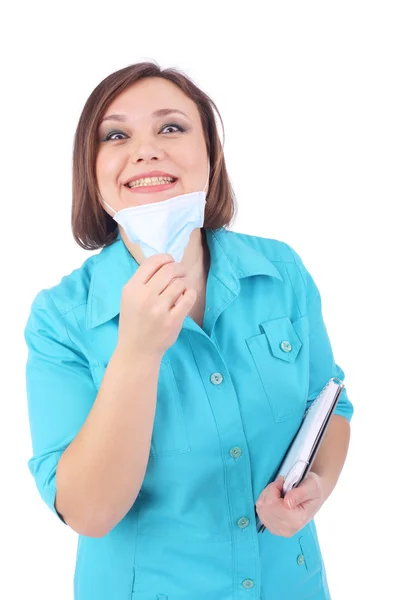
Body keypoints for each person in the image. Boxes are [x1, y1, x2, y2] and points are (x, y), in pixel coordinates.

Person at [24, 61, 354, 600]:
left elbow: (331, 406)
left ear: (211, 157)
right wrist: (136, 351)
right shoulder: (60, 319)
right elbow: (87, 511)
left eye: (171, 127)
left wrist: (317, 484)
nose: (147, 149)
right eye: (116, 135)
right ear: (93, 172)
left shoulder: (282, 273)